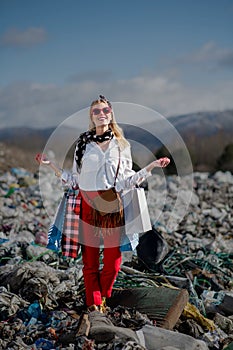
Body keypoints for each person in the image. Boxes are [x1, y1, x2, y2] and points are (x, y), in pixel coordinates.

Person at [38, 95, 170, 312]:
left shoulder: (121, 145)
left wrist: (151, 167)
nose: (101, 114)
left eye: (105, 110)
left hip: (111, 206)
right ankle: (94, 304)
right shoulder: (83, 144)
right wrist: (51, 165)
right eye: (96, 111)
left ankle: (105, 294)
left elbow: (126, 181)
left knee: (112, 262)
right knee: (89, 262)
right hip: (87, 206)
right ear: (91, 116)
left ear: (111, 114)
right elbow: (74, 180)